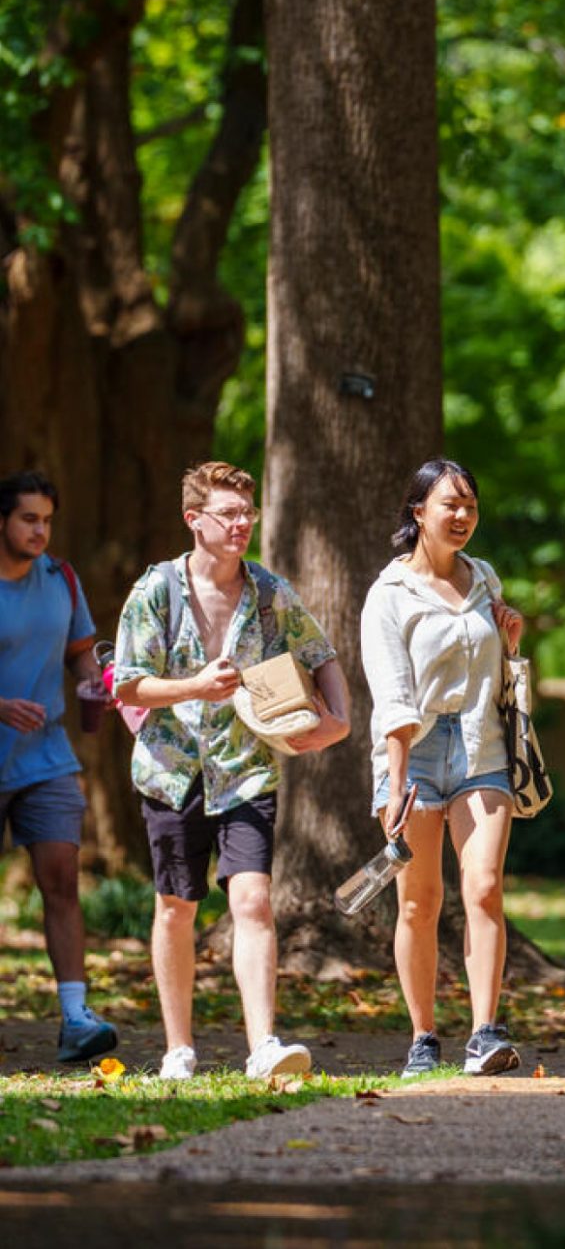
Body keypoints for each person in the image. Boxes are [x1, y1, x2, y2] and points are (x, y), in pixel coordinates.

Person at [113, 461, 350, 1080]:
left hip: (246, 768)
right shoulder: (156, 591)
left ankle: (264, 1045)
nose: (242, 523)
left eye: (248, 513)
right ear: (194, 520)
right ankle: (178, 1049)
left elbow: (320, 654)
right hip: (172, 771)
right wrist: (195, 685)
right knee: (176, 906)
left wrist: (339, 722)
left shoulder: (269, 592)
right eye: (229, 514)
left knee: (254, 900)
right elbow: (128, 685)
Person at [360, 458, 524, 1078]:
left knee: (484, 887)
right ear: (418, 512)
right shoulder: (389, 595)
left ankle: (484, 1032)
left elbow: (497, 670)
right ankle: (423, 1037)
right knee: (418, 903)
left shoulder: (484, 579)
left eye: (470, 506)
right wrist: (396, 784)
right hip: (415, 754)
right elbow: (393, 696)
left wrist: (511, 641)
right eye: (449, 504)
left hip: (483, 746)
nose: (462, 516)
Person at [0, 470, 117, 1064]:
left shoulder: (61, 578)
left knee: (62, 880)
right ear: (2, 521)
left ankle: (75, 1017)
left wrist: (94, 683)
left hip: (45, 758)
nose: (40, 531)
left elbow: (79, 653)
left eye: (46, 520)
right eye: (28, 519)